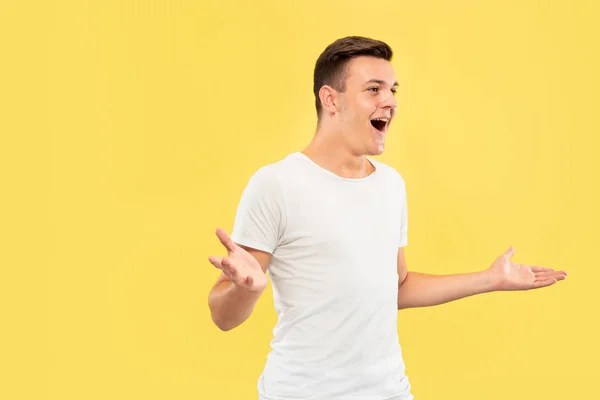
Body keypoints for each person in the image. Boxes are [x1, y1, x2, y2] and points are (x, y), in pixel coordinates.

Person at [207, 36, 567, 400]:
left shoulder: (390, 185)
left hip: (389, 391)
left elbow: (396, 286)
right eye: (373, 89)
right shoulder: (277, 185)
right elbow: (223, 317)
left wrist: (490, 279)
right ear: (331, 99)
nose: (390, 101)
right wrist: (245, 289)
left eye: (392, 90)